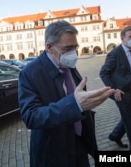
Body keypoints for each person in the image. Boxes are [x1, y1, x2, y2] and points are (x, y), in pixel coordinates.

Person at [18, 20, 114, 167]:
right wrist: (74, 105)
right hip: (53, 152)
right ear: (49, 47)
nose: (73, 54)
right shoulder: (29, 73)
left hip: (79, 144)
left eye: (75, 47)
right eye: (67, 48)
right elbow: (31, 116)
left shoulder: (68, 64)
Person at [100, 26, 131, 151]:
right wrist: (114, 89)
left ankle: (115, 135)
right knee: (130, 122)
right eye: (130, 37)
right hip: (122, 93)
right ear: (122, 38)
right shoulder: (115, 53)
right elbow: (103, 73)